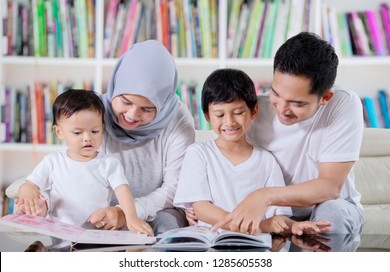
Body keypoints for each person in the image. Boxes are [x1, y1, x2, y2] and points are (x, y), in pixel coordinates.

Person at [210, 32, 364, 234]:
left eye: (297, 103)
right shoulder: (256, 109)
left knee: (332, 214)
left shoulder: (343, 104)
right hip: (275, 213)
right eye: (275, 93)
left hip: (329, 205)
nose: (282, 109)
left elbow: (330, 187)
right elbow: (223, 160)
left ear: (325, 97)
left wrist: (263, 196)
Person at [174, 68, 331, 235]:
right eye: (219, 115)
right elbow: (201, 208)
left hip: (256, 246)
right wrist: (257, 226)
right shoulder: (198, 153)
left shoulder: (267, 161)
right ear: (207, 116)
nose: (229, 122)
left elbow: (279, 217)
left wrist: (294, 226)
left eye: (239, 113)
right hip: (212, 244)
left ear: (254, 111)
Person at [87, 40, 195, 235]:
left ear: (162, 104)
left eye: (147, 109)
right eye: (125, 102)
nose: (132, 115)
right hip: (102, 210)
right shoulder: (94, 111)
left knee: (167, 234)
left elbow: (175, 187)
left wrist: (128, 212)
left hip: (159, 210)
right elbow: (76, 165)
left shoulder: (178, 119)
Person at [16, 89, 153, 236]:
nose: (87, 138)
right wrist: (27, 191)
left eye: (95, 131)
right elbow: (30, 184)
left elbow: (123, 191)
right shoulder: (53, 161)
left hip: (95, 235)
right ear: (59, 132)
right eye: (77, 133)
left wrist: (131, 218)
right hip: (58, 235)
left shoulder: (108, 164)